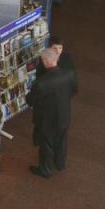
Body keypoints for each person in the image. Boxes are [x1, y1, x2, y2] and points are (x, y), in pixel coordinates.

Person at [26, 48, 77, 178]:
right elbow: (74, 90)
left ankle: (46, 170)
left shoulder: (41, 83)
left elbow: (30, 100)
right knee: (62, 140)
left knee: (47, 145)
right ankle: (60, 163)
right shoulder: (69, 74)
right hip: (64, 115)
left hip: (47, 120)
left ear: (45, 62)